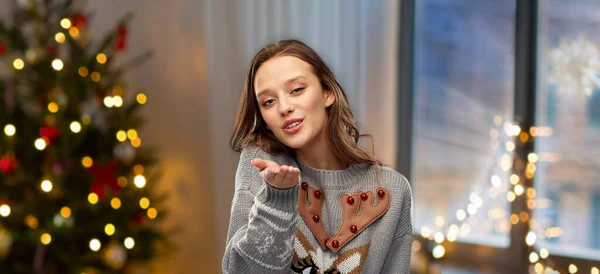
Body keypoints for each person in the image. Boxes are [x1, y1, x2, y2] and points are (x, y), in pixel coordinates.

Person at [222, 39, 413, 274]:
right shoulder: (262, 165)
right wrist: (277, 200)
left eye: (296, 90)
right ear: (265, 121)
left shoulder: (393, 189)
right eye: (268, 101)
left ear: (328, 93)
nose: (284, 107)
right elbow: (237, 271)